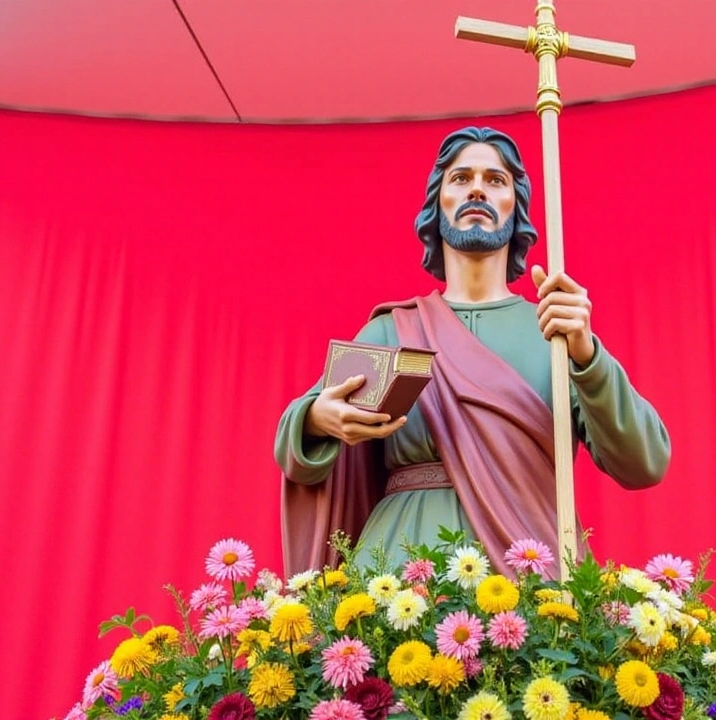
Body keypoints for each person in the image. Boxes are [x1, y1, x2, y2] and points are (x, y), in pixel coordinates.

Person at [275, 126, 670, 577]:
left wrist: (587, 354)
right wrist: (316, 419)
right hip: (400, 575)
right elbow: (295, 436)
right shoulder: (392, 330)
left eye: (495, 180)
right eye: (461, 179)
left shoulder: (556, 334)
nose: (478, 188)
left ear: (515, 206)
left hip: (527, 568)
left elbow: (644, 462)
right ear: (436, 204)